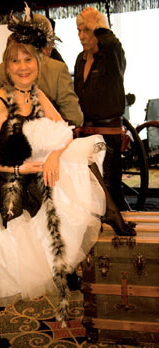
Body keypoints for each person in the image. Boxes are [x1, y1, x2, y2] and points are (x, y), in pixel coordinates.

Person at [0, 5, 135, 348]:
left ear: (38, 61)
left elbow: (65, 131)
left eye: (28, 60)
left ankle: (109, 211)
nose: (23, 67)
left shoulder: (36, 94)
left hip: (30, 178)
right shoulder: (0, 101)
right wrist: (17, 171)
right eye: (15, 61)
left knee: (78, 153)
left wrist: (51, 156)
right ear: (7, 65)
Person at [74, 6, 128, 211]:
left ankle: (119, 226)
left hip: (108, 134)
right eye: (78, 30)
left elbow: (112, 44)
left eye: (86, 30)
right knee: (90, 189)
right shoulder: (80, 59)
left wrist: (99, 26)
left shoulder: (112, 59)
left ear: (98, 32)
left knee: (110, 189)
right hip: (86, 134)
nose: (81, 36)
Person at [0, 13, 83, 127]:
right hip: (50, 140)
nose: (23, 67)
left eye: (28, 59)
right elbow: (74, 118)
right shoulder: (57, 69)